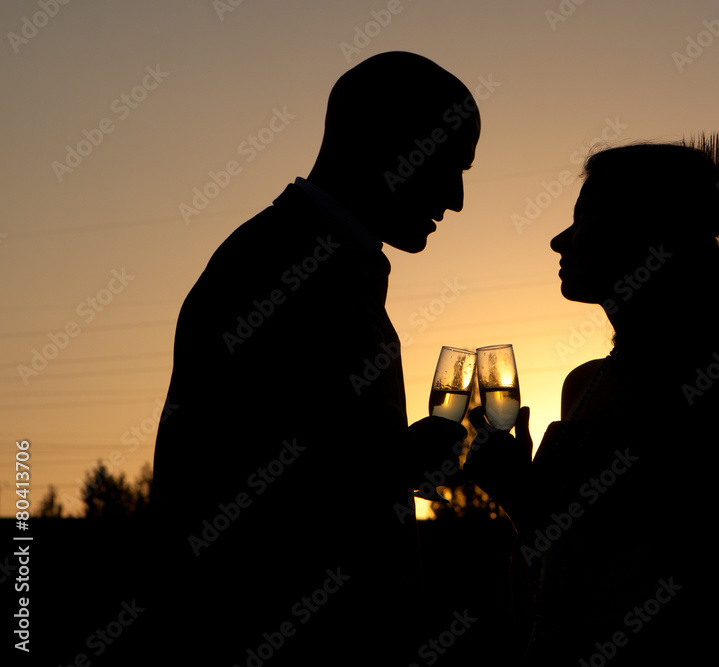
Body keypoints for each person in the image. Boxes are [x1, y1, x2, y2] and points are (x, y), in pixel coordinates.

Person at [148, 52, 477, 665]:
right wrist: (394, 464)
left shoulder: (315, 258)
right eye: (449, 166)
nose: (456, 199)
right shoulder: (273, 269)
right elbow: (203, 479)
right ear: (390, 143)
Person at [465, 137, 719, 665]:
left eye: (584, 218)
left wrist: (511, 488)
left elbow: (649, 567)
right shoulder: (583, 382)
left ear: (642, 236)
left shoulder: (693, 388)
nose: (558, 241)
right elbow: (556, 554)